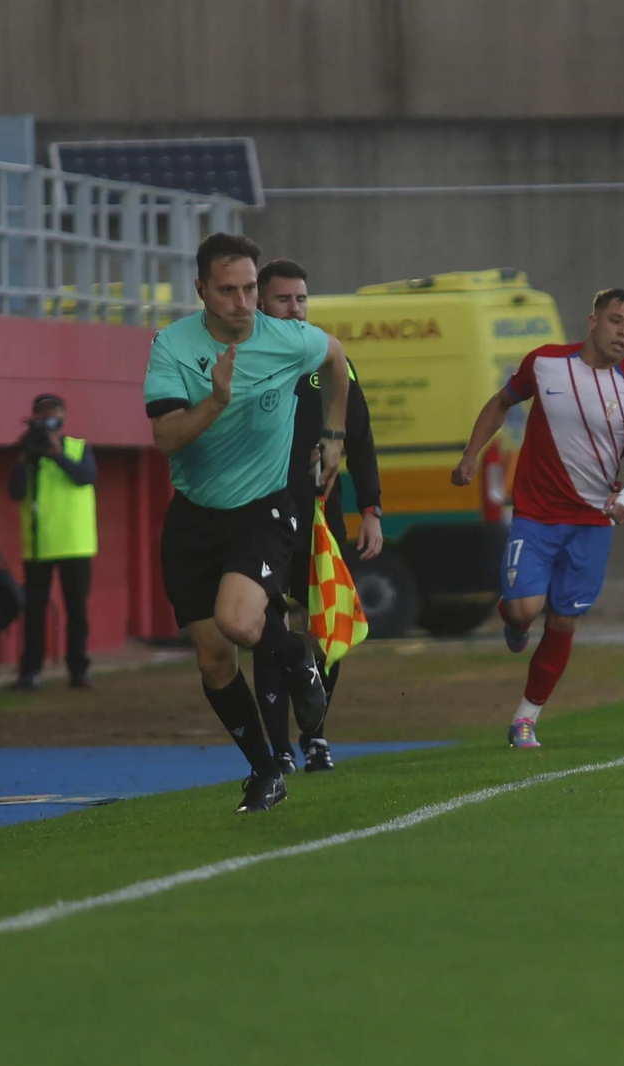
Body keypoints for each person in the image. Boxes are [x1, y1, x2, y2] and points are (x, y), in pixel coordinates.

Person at [143, 233, 350, 813]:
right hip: (194, 514)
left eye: (251, 288)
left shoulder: (288, 338)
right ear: (202, 291)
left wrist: (333, 434)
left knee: (238, 622)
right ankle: (265, 772)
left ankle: (292, 655)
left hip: (266, 503)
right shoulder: (172, 346)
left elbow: (338, 359)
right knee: (213, 658)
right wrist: (214, 402)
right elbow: (164, 438)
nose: (242, 301)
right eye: (228, 290)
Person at [451, 289, 624, 750]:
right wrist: (472, 454)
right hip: (537, 515)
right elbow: (501, 402)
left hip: (592, 523)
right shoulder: (545, 363)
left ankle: (526, 718)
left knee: (564, 621)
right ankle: (516, 622)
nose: (623, 332)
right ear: (593, 320)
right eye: (616, 321)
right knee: (525, 608)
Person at [256, 257, 383, 774]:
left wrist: (370, 509)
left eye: (302, 298)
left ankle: (317, 737)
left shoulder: (332, 361)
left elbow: (361, 439)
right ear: (261, 302)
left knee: (326, 622)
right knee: (266, 625)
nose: (295, 308)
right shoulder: (249, 361)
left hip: (321, 518)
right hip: (261, 514)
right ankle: (279, 748)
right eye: (284, 299)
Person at [7, 394, 98, 691]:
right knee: (34, 613)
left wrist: (57, 454)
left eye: (53, 415)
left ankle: (78, 670)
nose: (48, 421)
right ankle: (30, 672)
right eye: (42, 415)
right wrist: (24, 459)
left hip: (75, 543)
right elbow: (15, 491)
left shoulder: (78, 447)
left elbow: (85, 476)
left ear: (63, 418)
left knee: (77, 612)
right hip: (39, 545)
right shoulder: (28, 451)